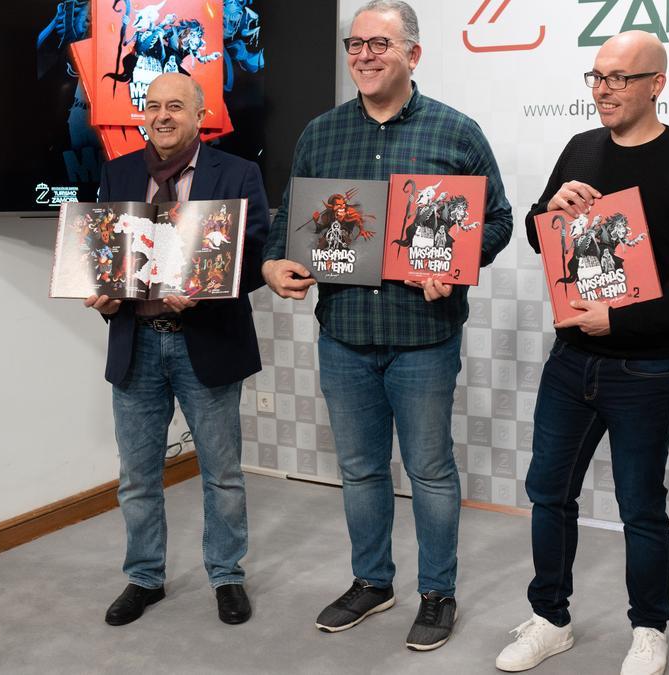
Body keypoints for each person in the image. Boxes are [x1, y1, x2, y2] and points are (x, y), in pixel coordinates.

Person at [261, 0, 513, 652]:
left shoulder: (455, 132)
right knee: (361, 468)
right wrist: (275, 264)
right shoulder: (321, 133)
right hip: (344, 330)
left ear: (412, 55)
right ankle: (373, 582)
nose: (364, 55)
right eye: (355, 44)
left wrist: (458, 265)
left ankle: (437, 592)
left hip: (423, 335)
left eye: (379, 43)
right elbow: (291, 219)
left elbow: (499, 221)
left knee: (429, 469)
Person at [494, 31, 669, 675]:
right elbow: (544, 240)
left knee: (639, 504)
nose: (604, 89)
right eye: (597, 76)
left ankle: (649, 628)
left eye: (620, 78)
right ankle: (550, 617)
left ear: (657, 83)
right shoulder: (580, 147)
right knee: (548, 491)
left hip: (647, 367)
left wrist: (620, 317)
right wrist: (551, 209)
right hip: (570, 361)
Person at [85, 72, 270, 627]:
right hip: (136, 345)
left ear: (199, 114)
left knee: (222, 473)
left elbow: (257, 251)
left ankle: (227, 575)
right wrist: (104, 292)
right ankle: (144, 576)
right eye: (153, 106)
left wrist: (207, 290)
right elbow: (106, 253)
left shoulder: (237, 172)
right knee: (138, 475)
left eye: (175, 106)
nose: (162, 116)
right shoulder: (118, 172)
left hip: (206, 344)